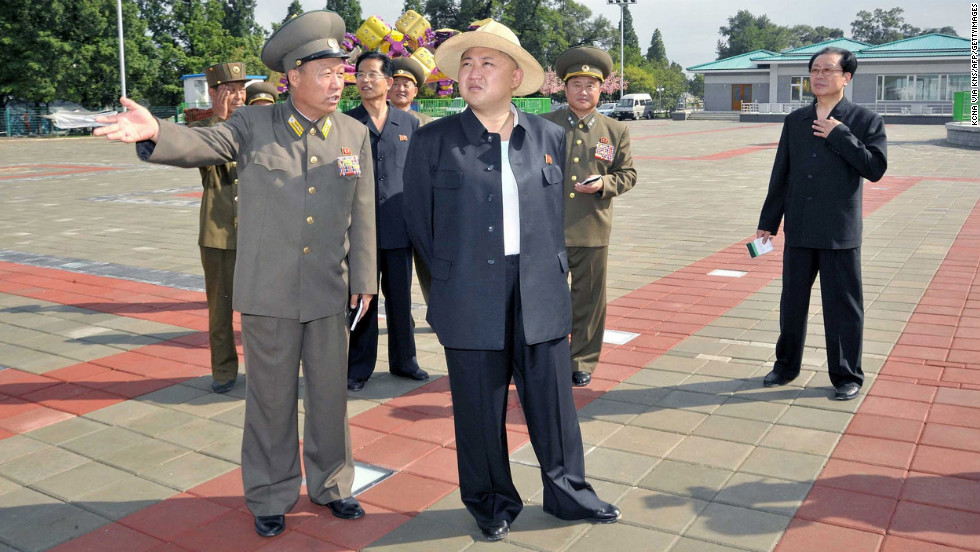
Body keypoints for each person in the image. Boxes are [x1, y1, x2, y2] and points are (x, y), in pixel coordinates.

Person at [95, 10, 377, 537]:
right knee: (269, 400)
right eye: (326, 73)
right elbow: (206, 145)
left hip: (328, 290)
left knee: (330, 396)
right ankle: (270, 494)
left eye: (342, 72)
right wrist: (157, 131)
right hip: (269, 290)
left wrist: (365, 278)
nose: (339, 82)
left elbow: (364, 213)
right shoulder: (254, 125)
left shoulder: (354, 133)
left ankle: (333, 483)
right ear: (292, 76)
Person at [403, 20, 620, 542]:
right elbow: (420, 225)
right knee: (479, 407)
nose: (473, 73)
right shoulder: (434, 140)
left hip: (539, 290)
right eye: (467, 65)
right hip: (469, 294)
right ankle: (491, 501)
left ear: (515, 75)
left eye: (487, 63)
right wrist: (453, 283)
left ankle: (569, 493)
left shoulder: (550, 135)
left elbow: (552, 217)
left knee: (552, 402)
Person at [756, 47, 887, 401]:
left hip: (839, 231)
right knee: (792, 302)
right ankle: (785, 365)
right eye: (814, 70)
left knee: (843, 306)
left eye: (828, 70)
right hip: (799, 227)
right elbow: (781, 174)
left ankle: (847, 375)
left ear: (846, 77)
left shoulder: (865, 121)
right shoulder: (795, 121)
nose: (819, 76)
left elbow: (875, 169)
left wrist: (839, 134)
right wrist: (769, 221)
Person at [541, 47, 636, 388]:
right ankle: (542, 357)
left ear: (602, 89)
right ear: (564, 88)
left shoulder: (614, 131)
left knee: (589, 300)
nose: (583, 91)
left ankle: (581, 359)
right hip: (547, 230)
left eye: (590, 85)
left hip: (592, 228)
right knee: (545, 298)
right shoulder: (544, 125)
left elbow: (628, 174)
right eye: (576, 84)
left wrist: (605, 183)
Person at [344, 51, 428, 392]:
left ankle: (404, 361)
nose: (365, 80)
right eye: (360, 74)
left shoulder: (411, 125)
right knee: (362, 298)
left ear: (388, 82)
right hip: (359, 231)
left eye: (372, 74)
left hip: (399, 227)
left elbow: (420, 177)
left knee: (400, 299)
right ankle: (358, 368)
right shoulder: (346, 124)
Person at [190, 62, 248, 394]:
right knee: (221, 307)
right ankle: (224, 370)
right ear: (214, 93)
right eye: (230, 90)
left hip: (259, 232)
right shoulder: (203, 131)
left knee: (263, 310)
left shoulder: (258, 126)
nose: (238, 96)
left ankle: (268, 367)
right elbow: (206, 157)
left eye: (241, 89)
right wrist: (219, 117)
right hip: (220, 232)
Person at [389, 56, 435, 303]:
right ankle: (403, 319)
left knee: (429, 266)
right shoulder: (378, 122)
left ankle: (438, 313)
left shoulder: (428, 124)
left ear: (415, 90)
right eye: (396, 83)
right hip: (392, 208)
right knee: (397, 271)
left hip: (424, 208)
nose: (401, 88)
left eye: (407, 84)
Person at [389, 57, 434, 125]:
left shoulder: (425, 123)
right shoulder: (377, 120)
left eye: (406, 85)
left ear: (415, 91)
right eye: (395, 84)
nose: (401, 89)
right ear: (389, 88)